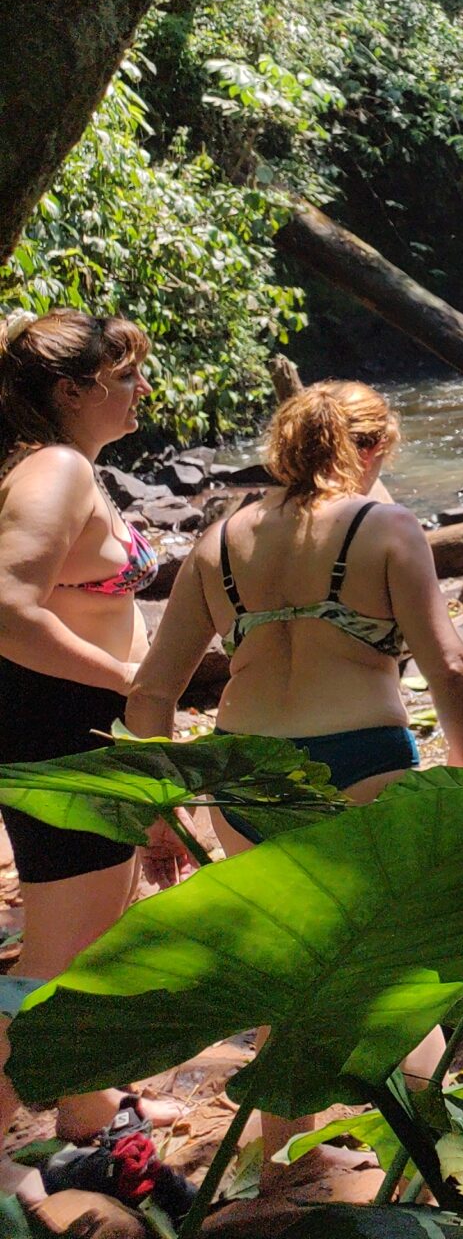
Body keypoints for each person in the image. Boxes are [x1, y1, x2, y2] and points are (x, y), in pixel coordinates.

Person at [127, 380, 463, 1172]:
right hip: (364, 765)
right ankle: (443, 1173)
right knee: (389, 968)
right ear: (373, 448)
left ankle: (290, 1176)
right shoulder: (386, 526)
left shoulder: (218, 542)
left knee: (290, 974)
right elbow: (451, 667)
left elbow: (151, 692)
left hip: (246, 778)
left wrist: (159, 816)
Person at [0, 311, 177, 1205]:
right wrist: (125, 680)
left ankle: (85, 1110)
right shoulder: (56, 469)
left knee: (94, 936)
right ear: (74, 392)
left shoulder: (63, 467)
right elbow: (5, 606)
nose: (142, 387)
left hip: (77, 729)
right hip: (62, 732)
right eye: (126, 374)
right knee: (54, 956)